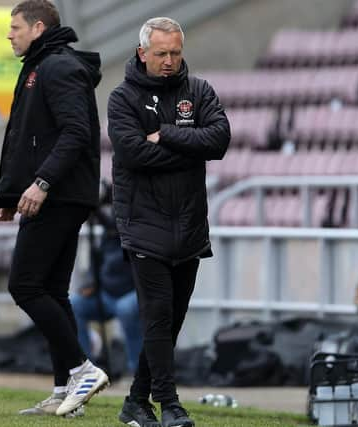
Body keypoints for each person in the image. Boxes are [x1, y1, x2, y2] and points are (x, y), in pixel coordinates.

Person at [108, 17, 230, 427]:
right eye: (161, 53)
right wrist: (190, 146)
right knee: (158, 314)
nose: (169, 61)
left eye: (175, 53)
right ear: (143, 53)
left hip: (190, 225)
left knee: (171, 320)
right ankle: (169, 404)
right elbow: (133, 154)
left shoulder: (198, 91)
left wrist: (166, 134)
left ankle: (135, 403)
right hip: (143, 222)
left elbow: (219, 140)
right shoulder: (122, 98)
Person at [0, 0, 109, 418]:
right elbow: (27, 139)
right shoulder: (42, 65)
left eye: (15, 27)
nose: (10, 34)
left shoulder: (57, 67)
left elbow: (76, 132)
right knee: (54, 292)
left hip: (59, 194)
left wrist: (42, 184)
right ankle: (64, 390)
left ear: (38, 27)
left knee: (24, 286)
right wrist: (8, 196)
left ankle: (83, 369)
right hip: (59, 192)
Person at [70, 195, 142, 374]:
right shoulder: (108, 233)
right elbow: (98, 262)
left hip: (134, 293)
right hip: (107, 294)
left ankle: (137, 371)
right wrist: (91, 283)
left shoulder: (140, 232)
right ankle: (86, 369)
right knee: (74, 304)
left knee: (125, 309)